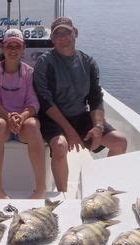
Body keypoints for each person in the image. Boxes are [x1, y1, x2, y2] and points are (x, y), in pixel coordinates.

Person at [33, 17, 127, 192]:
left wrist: (98, 126)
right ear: (52, 39)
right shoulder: (45, 63)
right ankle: (63, 195)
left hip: (80, 116)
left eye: (66, 33)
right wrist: (70, 133)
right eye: (57, 35)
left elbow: (95, 97)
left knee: (120, 142)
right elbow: (45, 102)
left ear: (75, 33)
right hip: (52, 119)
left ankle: (106, 190)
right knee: (60, 146)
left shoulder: (88, 62)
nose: (62, 38)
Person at [0, 28, 46, 199]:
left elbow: (33, 103)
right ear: (2, 47)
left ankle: (40, 189)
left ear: (23, 48)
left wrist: (22, 117)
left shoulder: (29, 72)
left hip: (23, 124)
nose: (13, 50)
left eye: (17, 46)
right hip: (2, 123)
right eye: (9, 46)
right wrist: (9, 116)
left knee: (33, 125)